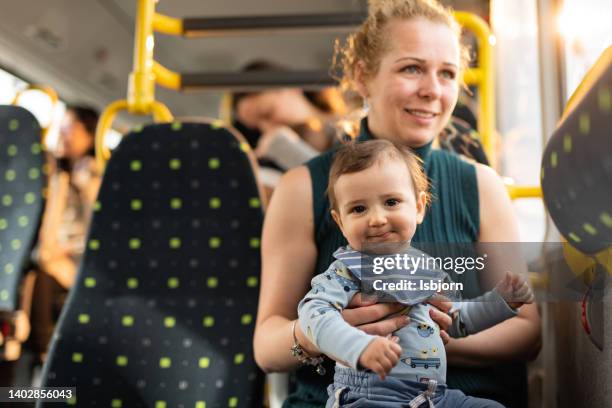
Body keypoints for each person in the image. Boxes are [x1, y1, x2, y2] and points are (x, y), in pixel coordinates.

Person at [254, 1, 541, 407]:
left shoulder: (481, 185)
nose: (432, 90)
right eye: (412, 68)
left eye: (447, 74)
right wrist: (326, 335)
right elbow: (267, 346)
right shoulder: (302, 187)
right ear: (362, 77)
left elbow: (527, 331)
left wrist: (422, 340)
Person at [298, 140, 534, 407]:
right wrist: (359, 347)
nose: (376, 219)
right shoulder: (347, 270)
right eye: (358, 209)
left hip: (432, 396)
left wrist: (500, 302)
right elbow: (313, 313)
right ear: (340, 222)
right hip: (369, 395)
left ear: (419, 207)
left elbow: (453, 320)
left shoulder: (425, 269)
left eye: (391, 202)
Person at [29, 105, 101, 358]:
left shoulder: (95, 174)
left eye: (70, 128)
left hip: (81, 257)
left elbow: (98, 227)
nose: (63, 134)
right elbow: (50, 224)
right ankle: (39, 355)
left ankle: (44, 354)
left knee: (44, 273)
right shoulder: (57, 175)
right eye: (62, 126)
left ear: (90, 135)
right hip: (54, 254)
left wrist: (88, 184)